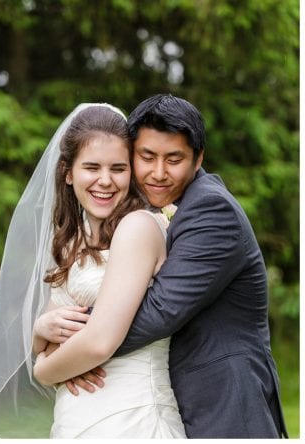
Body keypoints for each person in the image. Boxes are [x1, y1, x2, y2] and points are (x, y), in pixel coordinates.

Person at [94, 94, 284, 438]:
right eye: (147, 157)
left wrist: (76, 344)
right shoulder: (151, 211)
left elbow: (160, 310)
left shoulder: (212, 210)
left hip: (226, 406)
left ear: (198, 159)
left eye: (174, 159)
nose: (159, 173)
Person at [0, 103, 186, 437]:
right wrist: (40, 331)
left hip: (131, 415)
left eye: (118, 168)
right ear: (68, 172)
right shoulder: (70, 245)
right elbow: (54, 341)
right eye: (92, 167)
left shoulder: (140, 227)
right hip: (74, 417)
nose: (105, 181)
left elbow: (97, 345)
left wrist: (44, 371)